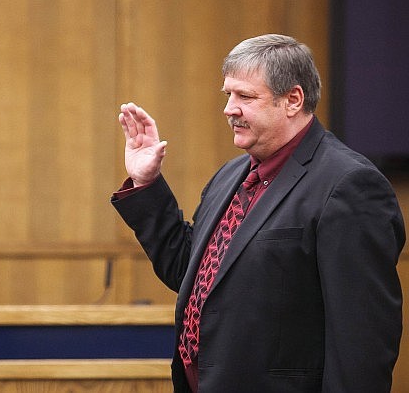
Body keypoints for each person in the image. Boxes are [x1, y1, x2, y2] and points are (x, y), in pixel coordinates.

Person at [111, 34, 405, 392]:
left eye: (245, 97)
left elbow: (362, 343)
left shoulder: (349, 185)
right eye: (228, 95)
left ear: (293, 100)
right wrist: (147, 183)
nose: (229, 108)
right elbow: (193, 271)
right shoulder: (231, 175)